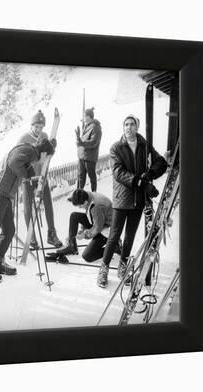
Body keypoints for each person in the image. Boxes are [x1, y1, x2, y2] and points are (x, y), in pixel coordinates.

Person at [96, 115, 167, 288]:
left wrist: (150, 174)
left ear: (137, 126)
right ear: (123, 127)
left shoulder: (144, 145)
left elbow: (161, 162)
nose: (129, 127)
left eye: (132, 124)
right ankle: (103, 270)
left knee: (129, 237)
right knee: (114, 237)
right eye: (126, 124)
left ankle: (122, 268)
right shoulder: (116, 147)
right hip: (122, 199)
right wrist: (141, 182)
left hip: (138, 200)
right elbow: (118, 172)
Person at [0, 138, 55, 283]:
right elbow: (14, 163)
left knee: (9, 230)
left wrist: (31, 176)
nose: (46, 161)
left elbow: (23, 168)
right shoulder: (30, 151)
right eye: (48, 157)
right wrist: (27, 175)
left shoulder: (28, 152)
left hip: (4, 195)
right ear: (44, 153)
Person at [17, 109, 63, 250]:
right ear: (31, 126)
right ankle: (32, 238)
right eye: (36, 126)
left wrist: (52, 148)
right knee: (28, 208)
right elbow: (18, 158)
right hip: (28, 178)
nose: (38, 130)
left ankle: (51, 234)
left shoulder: (44, 135)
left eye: (41, 127)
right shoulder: (24, 139)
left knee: (48, 204)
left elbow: (46, 156)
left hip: (42, 176)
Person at [53, 189, 121, 262]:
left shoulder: (96, 207)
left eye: (80, 206)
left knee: (87, 256)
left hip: (108, 229)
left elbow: (97, 227)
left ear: (85, 202)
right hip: (101, 220)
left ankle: (114, 247)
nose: (79, 208)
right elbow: (89, 215)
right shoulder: (87, 196)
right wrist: (81, 230)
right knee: (74, 216)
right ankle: (72, 247)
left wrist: (84, 235)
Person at [75, 107, 102, 192]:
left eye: (84, 116)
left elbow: (94, 142)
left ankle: (94, 194)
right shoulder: (87, 126)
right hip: (82, 156)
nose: (83, 119)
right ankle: (78, 195)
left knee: (91, 177)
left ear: (88, 117)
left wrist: (81, 143)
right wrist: (78, 138)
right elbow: (83, 141)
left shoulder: (95, 127)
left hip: (89, 157)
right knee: (80, 176)